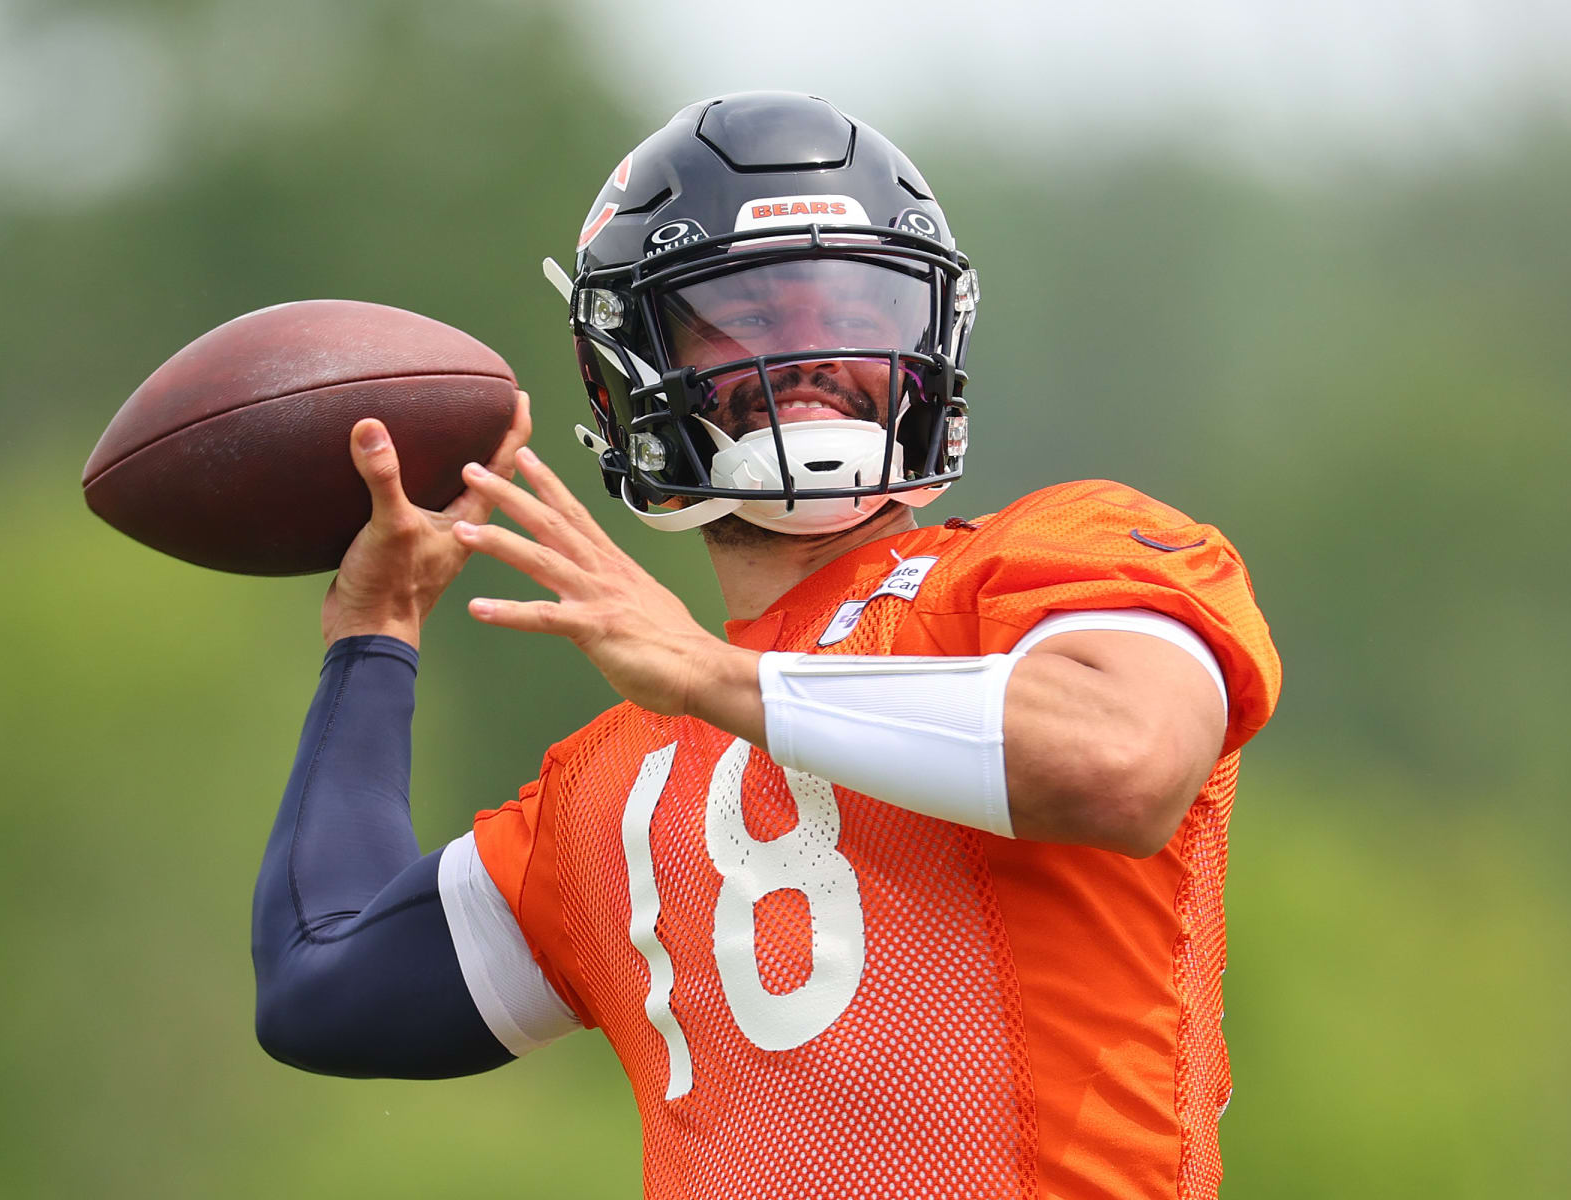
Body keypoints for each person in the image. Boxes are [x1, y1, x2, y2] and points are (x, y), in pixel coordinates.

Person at [252, 92, 1280, 1200]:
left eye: (859, 311)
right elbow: (322, 984)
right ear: (628, 374)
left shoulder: (1060, 553)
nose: (814, 356)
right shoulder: (613, 782)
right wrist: (375, 632)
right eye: (744, 319)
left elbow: (1123, 762)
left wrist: (711, 676)